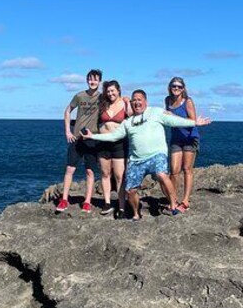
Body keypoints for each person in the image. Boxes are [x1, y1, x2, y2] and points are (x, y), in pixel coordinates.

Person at [84, 89, 212, 220]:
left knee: (162, 174)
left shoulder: (155, 112)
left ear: (145, 101)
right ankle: (135, 213)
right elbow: (113, 136)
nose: (136, 102)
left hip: (157, 155)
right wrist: (93, 136)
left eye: (139, 100)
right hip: (136, 160)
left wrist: (194, 122)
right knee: (130, 190)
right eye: (134, 100)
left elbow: (174, 121)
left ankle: (173, 206)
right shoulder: (128, 122)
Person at [56, 69, 102, 213]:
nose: (92, 81)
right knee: (70, 169)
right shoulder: (79, 96)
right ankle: (64, 200)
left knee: (89, 171)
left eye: (95, 79)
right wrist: (67, 131)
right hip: (77, 138)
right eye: (90, 79)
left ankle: (87, 202)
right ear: (87, 80)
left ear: (99, 81)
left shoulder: (102, 98)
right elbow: (67, 111)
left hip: (92, 139)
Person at [96, 80, 132, 216]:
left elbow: (132, 115)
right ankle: (107, 203)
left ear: (118, 90)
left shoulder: (124, 102)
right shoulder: (103, 104)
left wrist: (128, 102)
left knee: (120, 176)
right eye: (108, 91)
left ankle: (122, 207)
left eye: (113, 91)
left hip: (119, 143)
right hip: (102, 142)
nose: (110, 93)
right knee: (105, 174)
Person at [164, 77, 200, 213]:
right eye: (174, 86)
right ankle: (173, 200)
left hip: (190, 138)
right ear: (170, 87)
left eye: (179, 87)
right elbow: (167, 118)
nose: (176, 88)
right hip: (176, 139)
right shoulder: (167, 100)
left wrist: (172, 117)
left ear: (183, 88)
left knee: (187, 169)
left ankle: (185, 201)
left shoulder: (188, 101)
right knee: (174, 170)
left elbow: (193, 121)